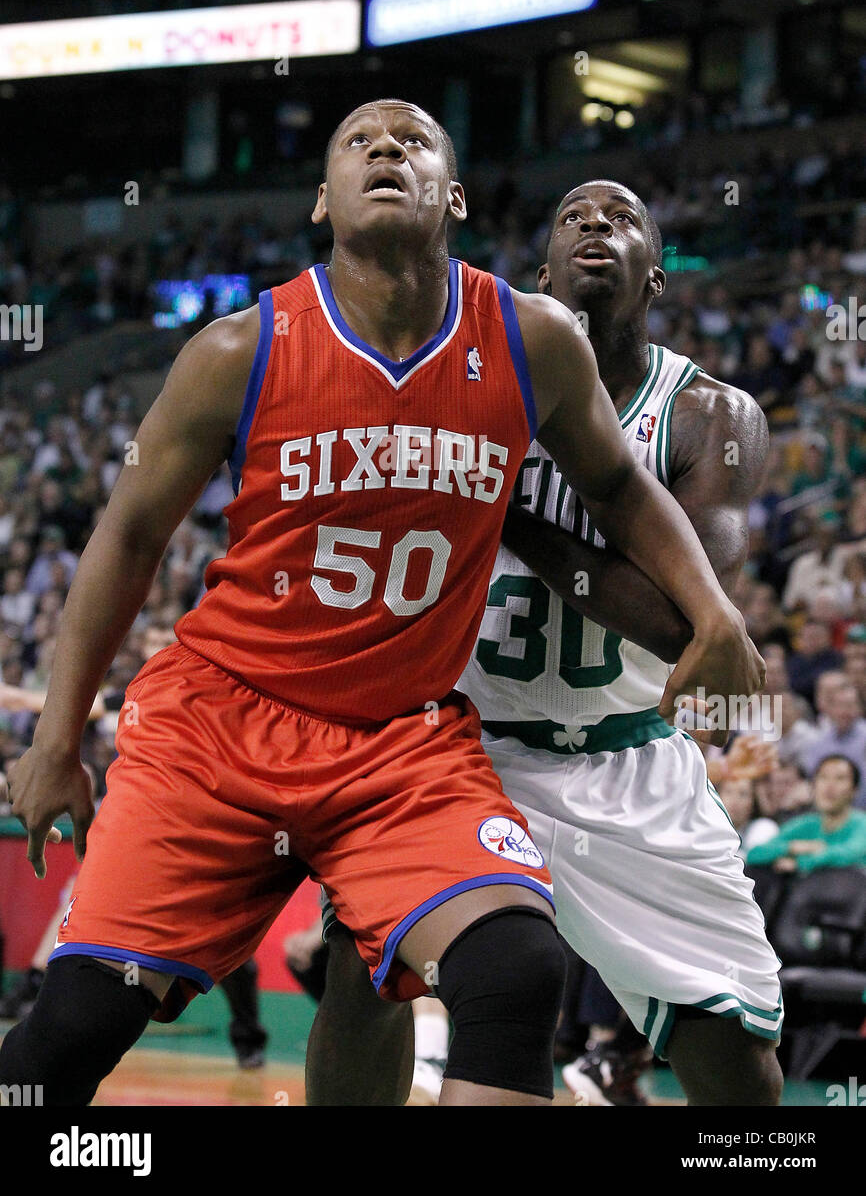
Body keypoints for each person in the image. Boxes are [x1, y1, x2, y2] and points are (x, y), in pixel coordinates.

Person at [0, 110, 762, 1109]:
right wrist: (58, 738)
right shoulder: (238, 347)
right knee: (79, 1023)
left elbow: (622, 487)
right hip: (224, 724)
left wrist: (715, 617)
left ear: (453, 197)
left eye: (413, 141)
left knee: (515, 974)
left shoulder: (527, 341)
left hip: (400, 741)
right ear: (321, 200)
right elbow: (126, 539)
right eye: (361, 143)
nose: (388, 150)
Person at [307, 179, 782, 1107]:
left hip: (630, 761)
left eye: (624, 218)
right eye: (573, 218)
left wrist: (508, 512)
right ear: (539, 276)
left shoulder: (709, 418)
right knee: (362, 964)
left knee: (733, 1057)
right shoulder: (463, 387)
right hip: (464, 752)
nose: (597, 226)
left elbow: (686, 621)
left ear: (656, 280)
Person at [746, 756, 866, 874]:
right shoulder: (806, 824)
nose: (830, 786)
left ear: (854, 790)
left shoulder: (861, 823)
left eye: (840, 779)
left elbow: (852, 854)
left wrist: (799, 863)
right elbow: (754, 854)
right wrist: (795, 847)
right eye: (823, 777)